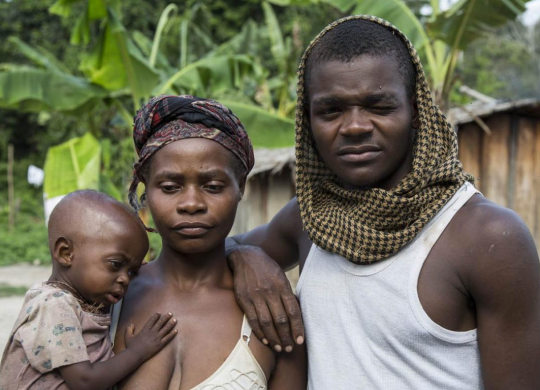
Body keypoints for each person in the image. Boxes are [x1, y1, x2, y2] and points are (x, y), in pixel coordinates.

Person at [226, 16, 540, 389]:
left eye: (379, 106)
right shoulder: (311, 218)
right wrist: (247, 258)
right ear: (307, 121)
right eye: (331, 110)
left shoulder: (488, 239)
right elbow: (219, 252)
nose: (355, 126)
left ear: (415, 111)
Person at [111, 95, 306, 390]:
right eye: (170, 187)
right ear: (145, 190)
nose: (191, 204)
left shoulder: (271, 311)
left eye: (213, 186)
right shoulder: (107, 296)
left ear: (241, 187)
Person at [0, 190, 178, 390]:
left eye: (132, 272)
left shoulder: (88, 302)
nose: (124, 279)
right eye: (115, 264)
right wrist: (137, 352)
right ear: (66, 253)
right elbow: (84, 382)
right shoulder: (53, 304)